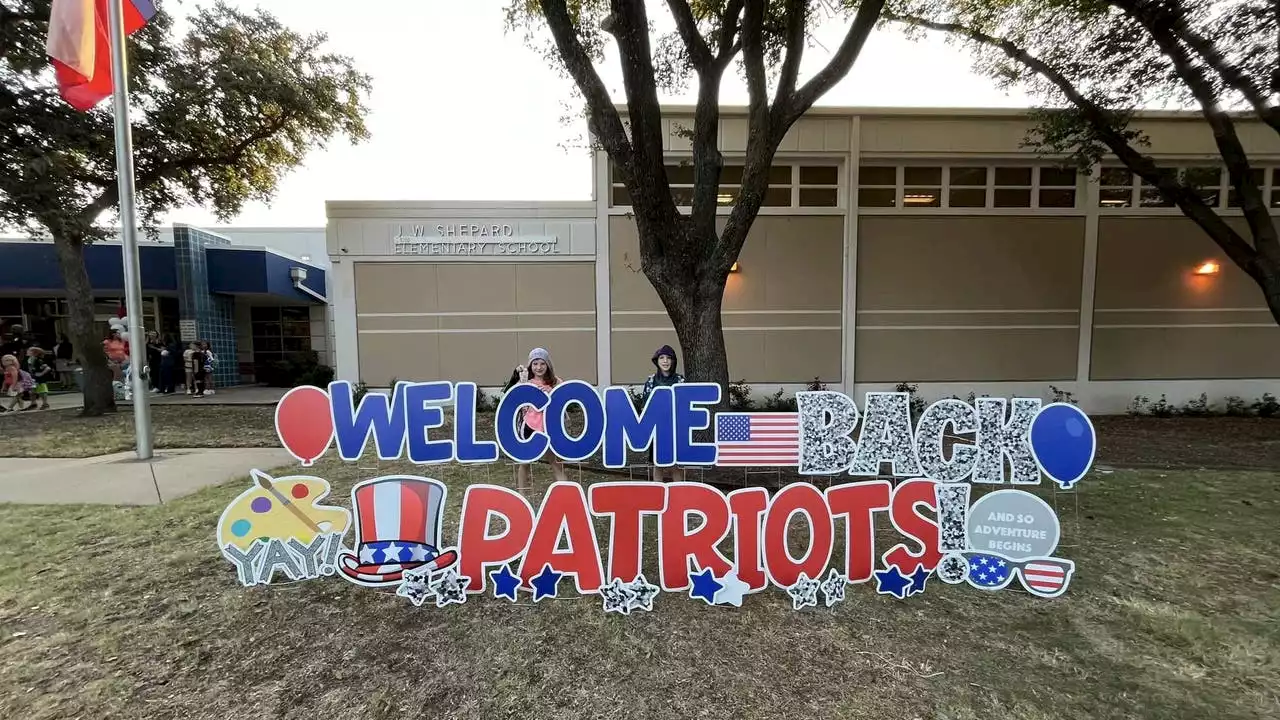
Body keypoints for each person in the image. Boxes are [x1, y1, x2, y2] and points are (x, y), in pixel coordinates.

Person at [501, 347, 568, 493]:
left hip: (550, 427)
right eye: (535, 363)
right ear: (530, 365)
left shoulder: (556, 382)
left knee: (555, 462)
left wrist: (553, 392)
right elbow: (509, 396)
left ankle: (568, 493)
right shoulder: (526, 382)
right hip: (530, 427)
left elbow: (564, 401)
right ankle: (522, 495)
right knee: (525, 462)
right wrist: (518, 379)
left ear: (548, 365)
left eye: (542, 363)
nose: (539, 367)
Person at [641, 344, 687, 483]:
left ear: (673, 361)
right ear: (657, 360)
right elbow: (645, 405)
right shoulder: (651, 381)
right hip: (656, 429)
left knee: (677, 464)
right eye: (662, 357)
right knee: (658, 463)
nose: (665, 361)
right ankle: (658, 494)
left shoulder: (681, 380)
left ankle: (679, 494)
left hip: (675, 428)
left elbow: (684, 405)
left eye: (668, 358)